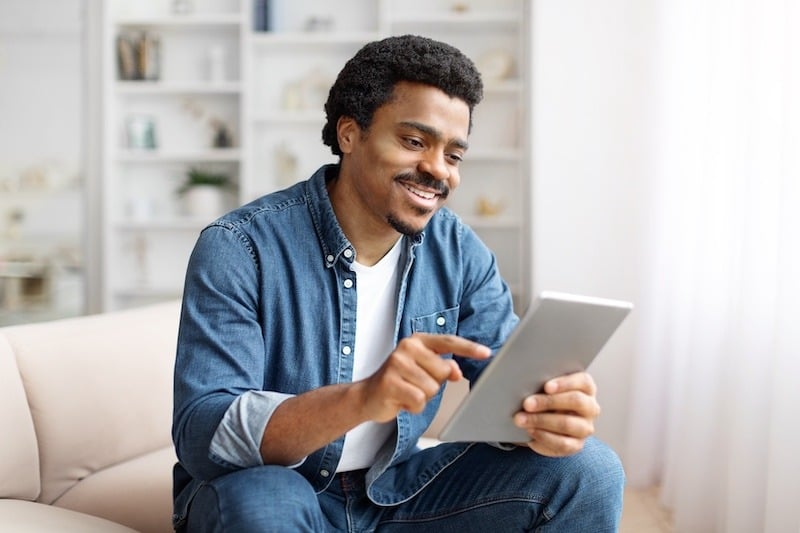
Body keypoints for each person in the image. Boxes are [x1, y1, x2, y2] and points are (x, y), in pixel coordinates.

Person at [171, 34, 624, 532]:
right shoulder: (241, 246)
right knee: (265, 504)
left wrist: (547, 415)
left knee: (590, 471)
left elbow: (505, 388)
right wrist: (362, 398)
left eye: (453, 155)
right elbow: (204, 430)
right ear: (350, 134)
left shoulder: (458, 251)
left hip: (393, 492)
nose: (436, 169)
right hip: (273, 485)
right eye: (414, 142)